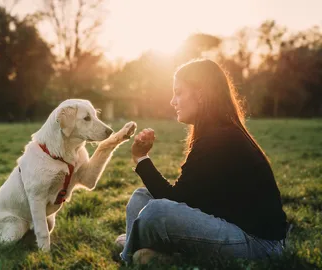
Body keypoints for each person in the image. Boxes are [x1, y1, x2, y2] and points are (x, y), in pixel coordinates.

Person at [116, 59, 288, 264]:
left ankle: (129, 253)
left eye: (178, 92)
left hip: (259, 245)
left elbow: (175, 200)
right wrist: (142, 160)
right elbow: (189, 200)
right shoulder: (213, 133)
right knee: (141, 197)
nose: (173, 101)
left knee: (157, 211)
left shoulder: (221, 138)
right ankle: (147, 253)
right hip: (227, 225)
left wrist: (141, 159)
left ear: (200, 93)